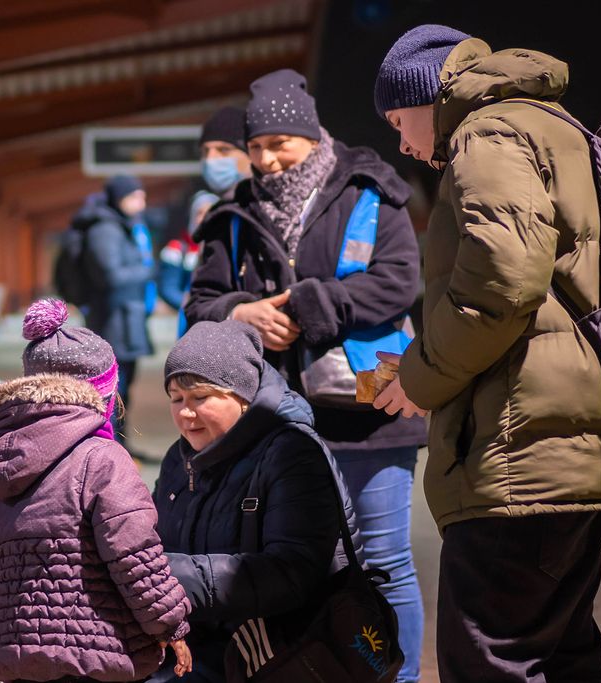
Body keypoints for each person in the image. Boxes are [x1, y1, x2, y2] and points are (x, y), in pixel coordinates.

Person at [374, 25, 601, 682]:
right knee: (561, 655)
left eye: (400, 120)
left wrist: (422, 376)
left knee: (492, 659)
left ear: (431, 94)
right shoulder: (552, 125)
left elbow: (501, 284)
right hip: (569, 443)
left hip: (521, 450)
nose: (402, 142)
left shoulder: (487, 134)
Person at [184, 68, 426, 681]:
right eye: (255, 145)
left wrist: (308, 306)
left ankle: (393, 674)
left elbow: (401, 282)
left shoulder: (370, 190)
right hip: (270, 421)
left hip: (374, 406)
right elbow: (199, 303)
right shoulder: (230, 215)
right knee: (294, 562)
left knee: (383, 561)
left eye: (278, 143)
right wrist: (241, 313)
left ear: (312, 135)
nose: (264, 159)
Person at [0, 298, 192, 683]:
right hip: (98, 655)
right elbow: (134, 555)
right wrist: (170, 624)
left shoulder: (5, 460)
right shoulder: (102, 459)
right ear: (104, 396)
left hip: (21, 656)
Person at [148, 320, 361, 682]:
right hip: (200, 642)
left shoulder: (293, 452)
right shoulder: (179, 458)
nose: (185, 413)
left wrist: (166, 577)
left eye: (200, 398)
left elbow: (294, 572)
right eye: (176, 399)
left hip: (285, 650)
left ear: (243, 397)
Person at [77, 175, 156, 443]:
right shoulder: (105, 230)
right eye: (136, 196)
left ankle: (121, 445)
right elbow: (110, 276)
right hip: (112, 322)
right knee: (111, 392)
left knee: (124, 391)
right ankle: (110, 446)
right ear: (120, 199)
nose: (142, 202)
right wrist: (147, 271)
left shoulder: (124, 226)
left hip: (125, 319)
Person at [159, 191, 218, 336]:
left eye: (210, 212)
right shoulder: (178, 249)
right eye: (199, 213)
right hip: (190, 322)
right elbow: (168, 288)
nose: (204, 217)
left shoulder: (230, 249)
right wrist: (191, 303)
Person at [199, 106, 252, 198]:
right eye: (206, 151)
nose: (210, 158)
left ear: (251, 154)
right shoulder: (205, 205)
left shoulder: (264, 205)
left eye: (224, 150)